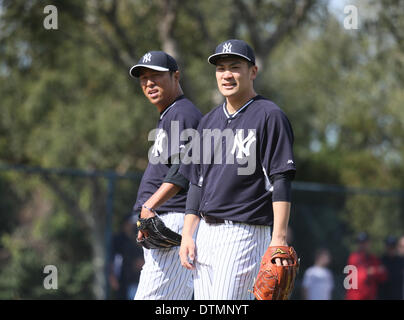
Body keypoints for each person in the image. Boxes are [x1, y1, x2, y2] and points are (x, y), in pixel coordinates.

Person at [179, 39, 296, 300]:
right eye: (221, 68)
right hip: (205, 234)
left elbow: (281, 179)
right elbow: (197, 183)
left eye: (235, 67)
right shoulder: (208, 121)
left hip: (244, 233)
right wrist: (188, 234)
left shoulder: (269, 115)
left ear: (252, 72)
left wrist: (279, 239)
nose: (226, 74)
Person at [129, 50, 202, 299]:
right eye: (143, 79)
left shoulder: (182, 113)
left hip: (173, 219)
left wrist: (150, 205)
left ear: (176, 76)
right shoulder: (171, 114)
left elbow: (183, 171)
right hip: (165, 220)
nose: (149, 83)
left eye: (156, 76)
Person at [108, 214, 144, 300]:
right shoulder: (118, 239)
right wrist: (112, 276)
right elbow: (112, 259)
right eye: (130, 223)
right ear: (125, 224)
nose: (132, 226)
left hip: (137, 279)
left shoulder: (138, 238)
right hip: (122, 281)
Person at [345, 232, 387, 300]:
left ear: (369, 243)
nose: (363, 245)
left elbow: (383, 276)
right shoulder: (353, 258)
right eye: (360, 242)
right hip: (355, 296)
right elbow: (356, 278)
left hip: (370, 296)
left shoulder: (373, 259)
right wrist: (369, 272)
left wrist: (373, 271)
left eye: (365, 242)